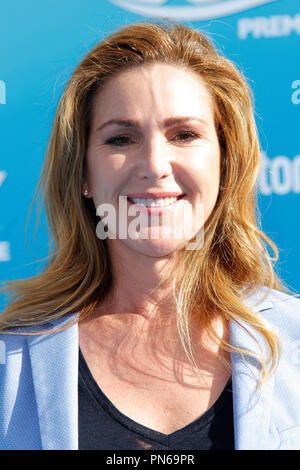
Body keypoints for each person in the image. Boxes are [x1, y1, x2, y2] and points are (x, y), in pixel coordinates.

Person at [0, 21, 300, 451]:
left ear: (225, 162)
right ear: (83, 171)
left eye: (184, 135)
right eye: (121, 138)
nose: (155, 164)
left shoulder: (294, 342)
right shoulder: (12, 362)